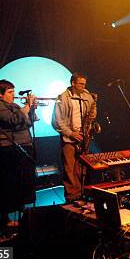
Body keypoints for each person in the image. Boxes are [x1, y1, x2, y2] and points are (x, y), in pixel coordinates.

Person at [0, 79, 37, 235]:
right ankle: (6, 219)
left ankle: (23, 216)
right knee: (8, 184)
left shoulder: (15, 106)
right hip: (7, 151)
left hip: (23, 147)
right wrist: (27, 107)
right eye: (9, 92)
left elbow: (28, 122)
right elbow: (12, 120)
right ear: (0, 94)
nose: (13, 95)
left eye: (13, 91)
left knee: (24, 183)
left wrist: (32, 109)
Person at [52, 72, 96, 203]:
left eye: (84, 84)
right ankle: (72, 197)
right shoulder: (63, 97)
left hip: (83, 136)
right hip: (69, 137)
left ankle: (82, 193)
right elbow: (57, 121)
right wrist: (71, 133)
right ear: (73, 83)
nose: (83, 86)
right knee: (70, 168)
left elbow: (92, 116)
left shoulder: (86, 95)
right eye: (80, 84)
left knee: (81, 167)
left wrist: (94, 107)